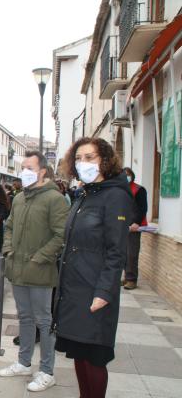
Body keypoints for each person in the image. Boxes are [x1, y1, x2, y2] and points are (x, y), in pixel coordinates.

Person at [54, 138, 132, 398]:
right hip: (74, 287)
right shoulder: (85, 194)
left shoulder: (116, 196)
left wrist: (104, 292)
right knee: (79, 351)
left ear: (105, 160)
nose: (83, 163)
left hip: (95, 289)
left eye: (90, 157)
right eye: (78, 158)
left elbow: (116, 251)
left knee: (94, 356)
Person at [0, 151, 69, 392]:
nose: (24, 171)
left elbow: (61, 235)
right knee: (24, 317)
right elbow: (8, 227)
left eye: (29, 167)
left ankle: (47, 371)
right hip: (17, 268)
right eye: (23, 167)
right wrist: (8, 249)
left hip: (40, 271)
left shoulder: (55, 199)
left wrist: (40, 257)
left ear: (42, 171)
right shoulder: (19, 198)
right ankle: (24, 361)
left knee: (44, 321)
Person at [122, 167, 147, 290]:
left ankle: (132, 279)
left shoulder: (139, 190)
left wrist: (136, 223)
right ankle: (126, 277)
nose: (126, 177)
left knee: (132, 253)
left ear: (132, 176)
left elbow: (143, 208)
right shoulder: (121, 190)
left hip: (133, 227)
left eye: (128, 175)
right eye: (124, 175)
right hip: (122, 226)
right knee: (123, 254)